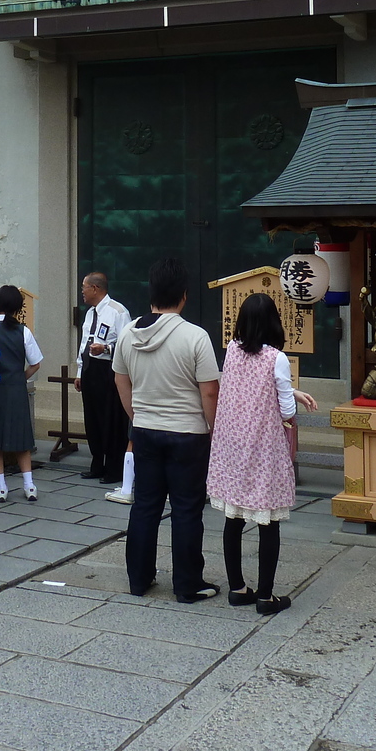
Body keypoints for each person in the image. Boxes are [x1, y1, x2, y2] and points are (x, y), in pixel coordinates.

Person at [113, 257, 222, 602]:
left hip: (144, 429)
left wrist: (136, 414)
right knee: (187, 509)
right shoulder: (195, 337)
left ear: (152, 293)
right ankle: (188, 584)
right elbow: (209, 390)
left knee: (145, 505)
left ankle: (138, 579)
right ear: (184, 296)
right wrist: (212, 428)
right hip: (188, 433)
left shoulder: (129, 334)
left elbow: (121, 379)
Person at [207, 293, 317, 616]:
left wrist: (288, 390)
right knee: (268, 521)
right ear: (273, 322)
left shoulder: (231, 350)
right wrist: (291, 398)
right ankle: (266, 596)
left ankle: (238, 588)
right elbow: (285, 408)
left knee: (234, 517)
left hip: (232, 445)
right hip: (263, 446)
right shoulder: (277, 358)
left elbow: (245, 386)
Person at [0, 285, 45, 501]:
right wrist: (20, 377)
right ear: (17, 308)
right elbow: (36, 363)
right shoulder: (23, 331)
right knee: (22, 439)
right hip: (16, 390)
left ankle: (1, 487)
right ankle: (29, 485)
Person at [75, 272, 131, 486]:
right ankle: (96, 463)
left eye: (84, 287)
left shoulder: (118, 312)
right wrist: (80, 372)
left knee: (111, 420)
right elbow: (83, 345)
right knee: (93, 419)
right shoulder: (90, 314)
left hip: (110, 370)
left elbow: (127, 345)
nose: (82, 291)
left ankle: (114, 468)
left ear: (95, 289)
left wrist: (106, 348)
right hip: (91, 369)